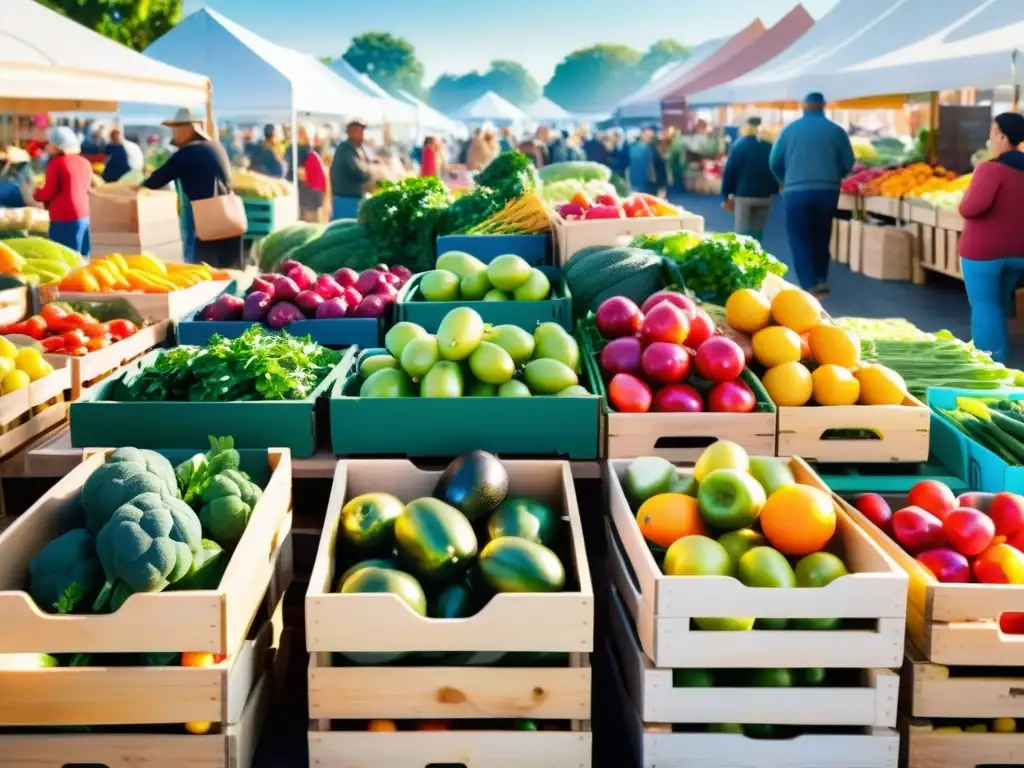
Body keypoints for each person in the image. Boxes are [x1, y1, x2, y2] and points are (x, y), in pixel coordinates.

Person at [769, 92, 855, 296]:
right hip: (827, 191)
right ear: (823, 106)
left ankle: (808, 284)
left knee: (800, 237)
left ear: (803, 106)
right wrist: (835, 176)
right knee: (822, 235)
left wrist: (784, 181)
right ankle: (821, 279)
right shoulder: (836, 131)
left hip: (795, 191)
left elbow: (774, 161)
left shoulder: (789, 131)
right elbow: (848, 162)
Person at [957, 112, 1024, 362]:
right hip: (1019, 253)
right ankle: (1000, 359)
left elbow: (970, 208)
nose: (990, 139)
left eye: (992, 133)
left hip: (984, 254)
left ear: (1002, 137)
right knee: (997, 306)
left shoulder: (991, 169)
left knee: (985, 306)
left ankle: (990, 364)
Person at [141, 108, 239, 267]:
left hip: (205, 222)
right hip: (227, 219)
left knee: (202, 271)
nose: (174, 133)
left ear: (189, 129)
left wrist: (136, 189)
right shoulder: (215, 146)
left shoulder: (189, 152)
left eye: (177, 129)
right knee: (225, 271)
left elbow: (155, 181)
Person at [33, 127, 93, 255]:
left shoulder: (56, 164)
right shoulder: (85, 162)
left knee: (66, 258)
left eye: (49, 143)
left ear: (57, 146)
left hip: (64, 217)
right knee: (83, 258)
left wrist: (35, 193)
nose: (47, 146)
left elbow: (48, 193)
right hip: (85, 215)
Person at [721, 117, 778, 243]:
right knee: (757, 233)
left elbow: (729, 172)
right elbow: (775, 168)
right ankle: (756, 258)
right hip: (765, 196)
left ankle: (743, 261)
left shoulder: (738, 146)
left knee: (742, 235)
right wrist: (774, 188)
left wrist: (726, 196)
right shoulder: (768, 146)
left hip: (744, 195)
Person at [330, 119, 375, 220]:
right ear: (350, 133)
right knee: (345, 229)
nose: (362, 136)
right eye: (359, 132)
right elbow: (358, 171)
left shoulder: (354, 149)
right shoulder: (345, 149)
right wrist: (370, 175)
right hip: (346, 199)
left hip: (351, 198)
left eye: (362, 132)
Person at [296, 125, 328, 222]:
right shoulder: (308, 153)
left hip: (311, 195)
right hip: (311, 194)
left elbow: (304, 175)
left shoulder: (308, 154)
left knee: (310, 221)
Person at [628, 128, 658, 195]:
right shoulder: (647, 148)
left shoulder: (631, 147)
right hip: (643, 181)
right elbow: (650, 166)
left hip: (635, 181)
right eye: (650, 137)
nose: (651, 139)